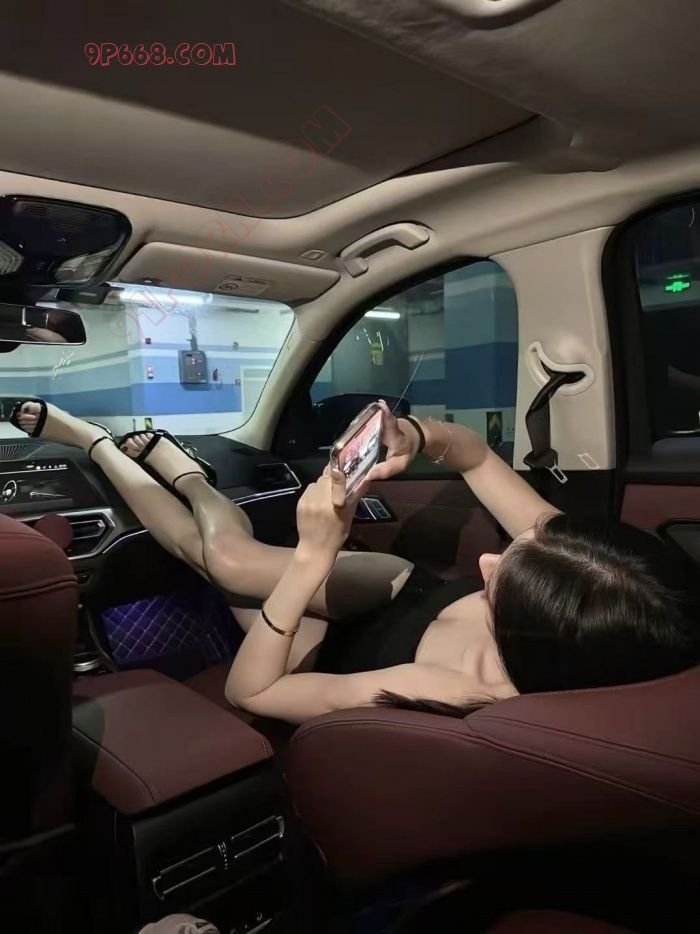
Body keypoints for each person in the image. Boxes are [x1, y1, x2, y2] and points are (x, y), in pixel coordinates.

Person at [11, 399, 699, 725]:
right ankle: (176, 472)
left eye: (503, 579)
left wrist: (313, 558)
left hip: (333, 652)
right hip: (400, 591)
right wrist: (415, 435)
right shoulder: (585, 578)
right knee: (231, 562)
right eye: (523, 544)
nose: (490, 557)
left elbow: (251, 694)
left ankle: (110, 449)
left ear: (531, 632)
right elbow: (473, 454)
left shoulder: (456, 689)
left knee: (217, 558)